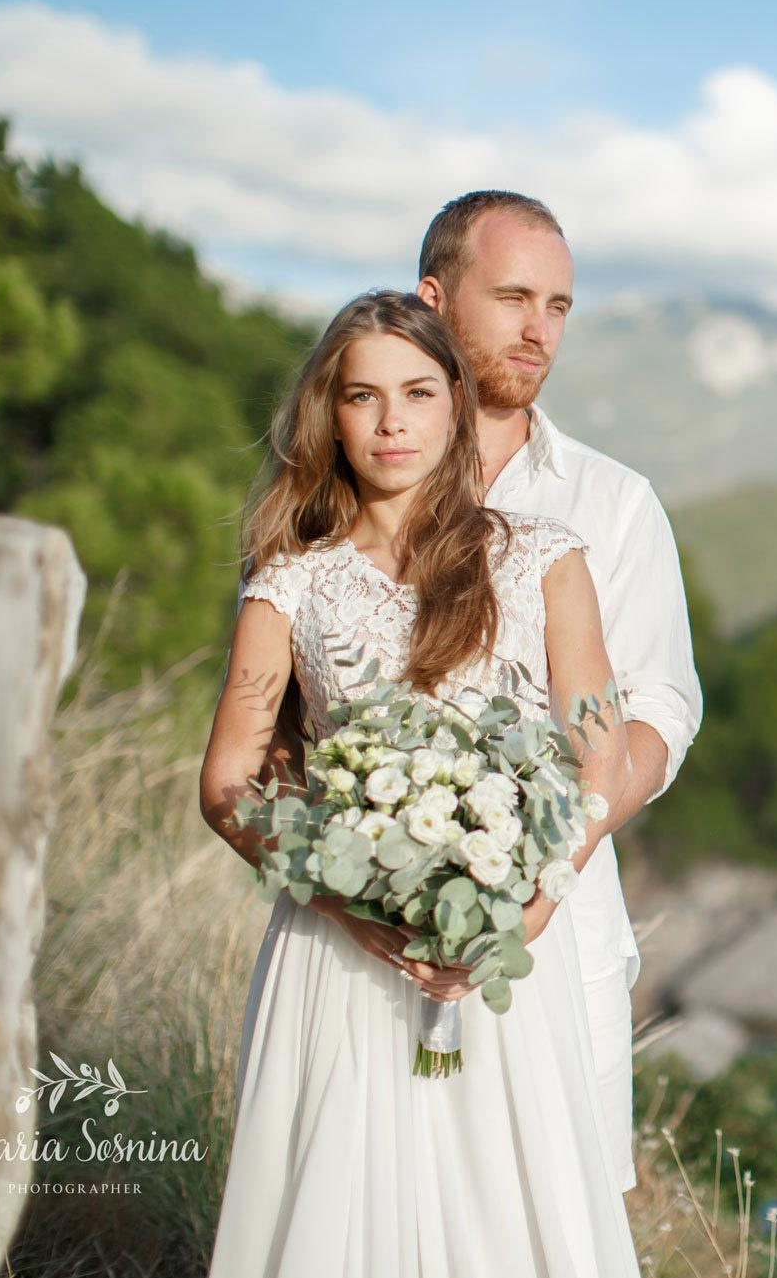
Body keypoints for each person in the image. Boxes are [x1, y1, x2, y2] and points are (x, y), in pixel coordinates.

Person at [199, 289, 642, 1274]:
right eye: (362, 397)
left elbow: (601, 757)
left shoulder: (543, 558)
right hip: (338, 957)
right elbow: (229, 782)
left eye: (415, 392)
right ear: (331, 413)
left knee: (503, 1220)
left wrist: (524, 913)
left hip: (503, 957)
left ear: (454, 403)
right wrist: (345, 905)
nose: (391, 421)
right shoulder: (289, 578)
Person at [411, 189, 703, 1194]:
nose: (540, 330)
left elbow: (659, 710)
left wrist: (549, 862)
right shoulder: (347, 484)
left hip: (554, 928)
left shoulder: (612, 503)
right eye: (513, 298)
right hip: (370, 926)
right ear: (434, 297)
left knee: (544, 1219)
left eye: (560, 306)